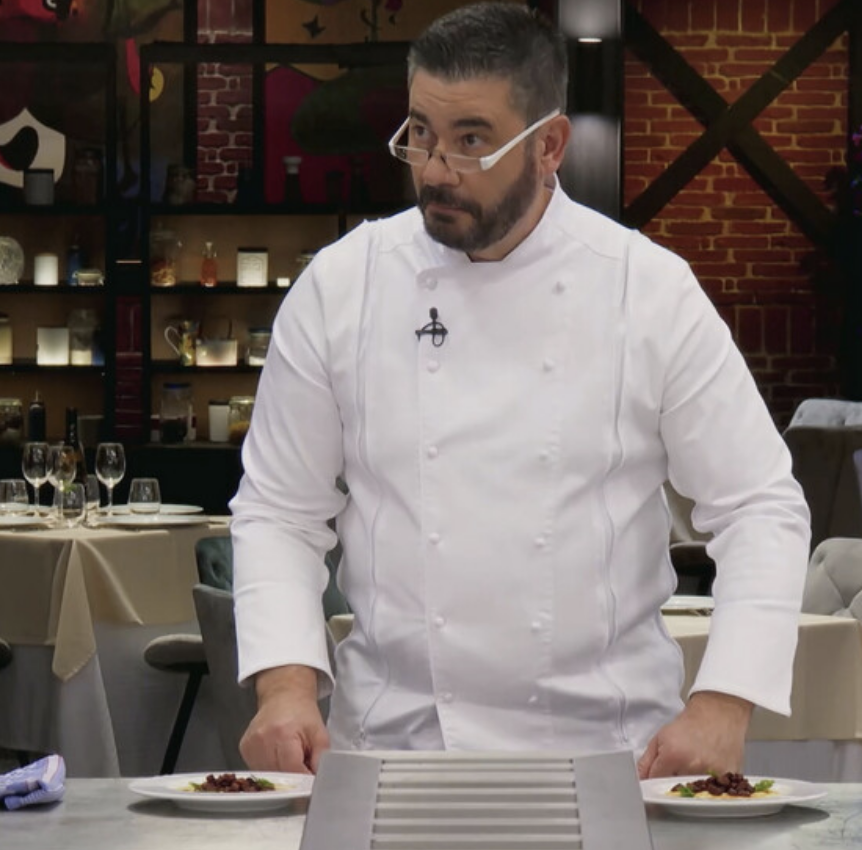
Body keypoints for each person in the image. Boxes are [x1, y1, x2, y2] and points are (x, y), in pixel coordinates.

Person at [229, 1, 810, 780]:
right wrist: (286, 688)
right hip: (390, 748)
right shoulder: (343, 285)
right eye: (421, 134)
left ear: (549, 145)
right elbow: (279, 510)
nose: (436, 169)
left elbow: (759, 508)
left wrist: (722, 705)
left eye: (471, 140)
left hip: (608, 753)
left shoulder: (645, 290)